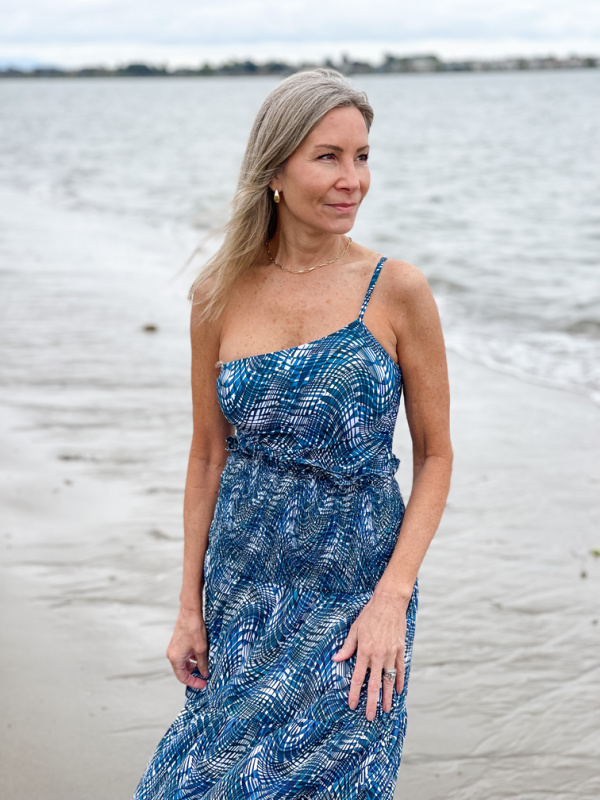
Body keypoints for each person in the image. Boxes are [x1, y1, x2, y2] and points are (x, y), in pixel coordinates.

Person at [133, 68, 453, 799]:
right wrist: (188, 608)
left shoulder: (397, 289)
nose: (353, 179)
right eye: (328, 156)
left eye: (363, 156)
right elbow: (209, 454)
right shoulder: (219, 293)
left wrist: (391, 600)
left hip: (356, 595)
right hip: (243, 587)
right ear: (275, 170)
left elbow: (436, 456)